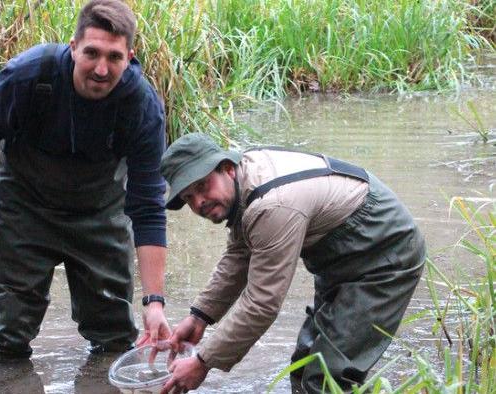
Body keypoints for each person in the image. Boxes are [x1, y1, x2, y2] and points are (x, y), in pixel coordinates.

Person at [0, 0, 170, 363]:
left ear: (130, 57)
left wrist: (155, 301)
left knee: (116, 339)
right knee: (4, 342)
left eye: (115, 57)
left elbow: (149, 206)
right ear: (72, 47)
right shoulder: (27, 76)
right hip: (25, 206)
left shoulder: (141, 106)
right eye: (91, 53)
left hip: (100, 212)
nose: (102, 69)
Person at [158, 133, 426, 393]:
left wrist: (203, 361)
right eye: (187, 197)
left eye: (202, 186)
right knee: (305, 365)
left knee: (328, 379)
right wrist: (200, 317)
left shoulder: (272, 205)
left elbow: (261, 305)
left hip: (385, 254)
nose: (199, 202)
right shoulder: (246, 181)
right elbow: (240, 254)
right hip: (342, 258)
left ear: (227, 169)